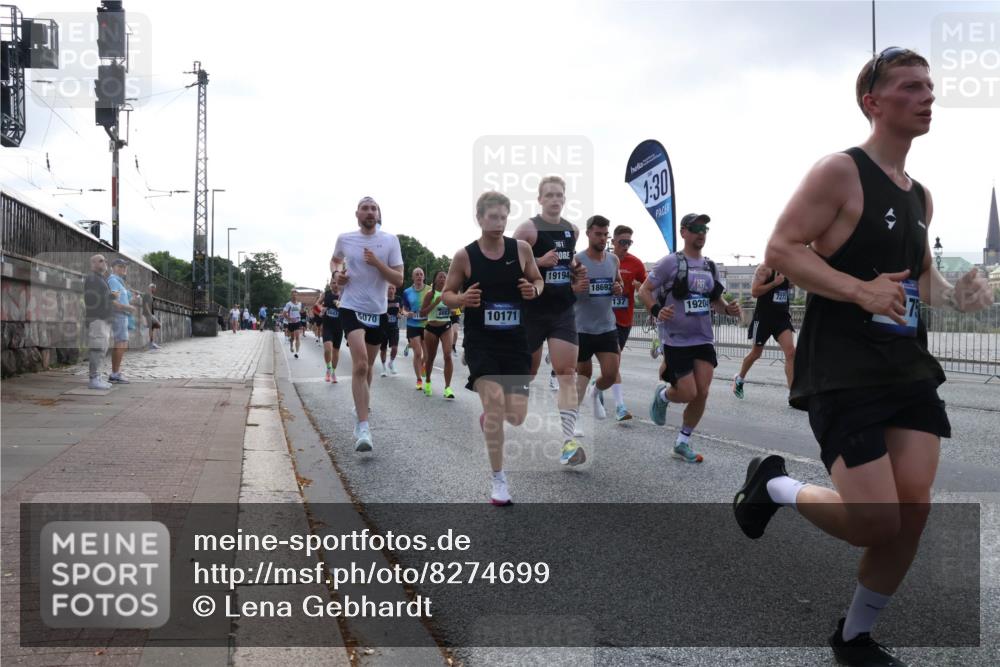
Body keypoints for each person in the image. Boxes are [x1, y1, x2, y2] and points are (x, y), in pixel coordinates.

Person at [731, 48, 994, 667]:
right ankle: (773, 484)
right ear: (873, 103)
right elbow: (781, 248)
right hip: (843, 368)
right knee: (877, 522)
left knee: (914, 509)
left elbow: (921, 277)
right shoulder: (840, 172)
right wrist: (857, 289)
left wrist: (959, 294)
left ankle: (853, 637)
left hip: (905, 366)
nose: (927, 95)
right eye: (911, 86)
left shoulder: (920, 196)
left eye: (930, 85)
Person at [441, 191, 543, 505]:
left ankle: (492, 418)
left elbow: (538, 281)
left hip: (515, 343)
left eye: (503, 217)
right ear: (479, 218)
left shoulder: (522, 250)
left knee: (517, 416)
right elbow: (447, 293)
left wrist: (532, 290)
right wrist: (461, 300)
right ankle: (499, 482)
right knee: (496, 406)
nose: (498, 222)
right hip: (481, 342)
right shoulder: (465, 256)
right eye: (492, 216)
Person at [638, 213, 741, 463]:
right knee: (687, 392)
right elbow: (644, 290)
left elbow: (715, 300)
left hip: (703, 338)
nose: (701, 232)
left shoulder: (710, 266)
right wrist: (656, 310)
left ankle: (682, 442)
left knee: (702, 392)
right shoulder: (669, 263)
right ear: (684, 232)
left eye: (704, 228)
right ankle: (663, 396)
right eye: (695, 228)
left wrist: (727, 309)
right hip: (676, 339)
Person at [512, 175, 588, 466]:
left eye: (560, 195)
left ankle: (568, 442)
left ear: (564, 199)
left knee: (567, 372)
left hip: (562, 311)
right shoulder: (528, 230)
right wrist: (538, 263)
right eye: (550, 195)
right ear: (540, 199)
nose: (555, 199)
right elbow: (506, 265)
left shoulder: (571, 230)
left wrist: (576, 272)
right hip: (531, 311)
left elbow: (569, 263)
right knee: (527, 375)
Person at [330, 196, 404, 452]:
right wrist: (337, 274)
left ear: (379, 214)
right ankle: (363, 426)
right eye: (365, 208)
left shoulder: (390, 241)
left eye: (374, 208)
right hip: (351, 307)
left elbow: (399, 277)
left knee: (369, 368)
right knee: (360, 364)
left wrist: (377, 263)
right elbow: (335, 260)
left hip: (378, 311)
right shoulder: (345, 238)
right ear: (357, 214)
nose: (370, 212)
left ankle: (360, 406)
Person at [572, 216, 624, 427]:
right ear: (588, 234)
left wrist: (618, 287)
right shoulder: (577, 260)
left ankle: (596, 393)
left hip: (606, 326)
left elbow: (618, 281)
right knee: (583, 374)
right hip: (582, 327)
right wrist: (574, 289)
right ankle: (573, 421)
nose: (603, 238)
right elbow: (564, 291)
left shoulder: (613, 260)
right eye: (598, 234)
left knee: (611, 375)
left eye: (605, 235)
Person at [734, 263, 796, 397]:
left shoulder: (787, 267)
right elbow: (754, 292)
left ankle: (793, 394)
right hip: (763, 319)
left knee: (791, 352)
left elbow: (790, 285)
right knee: (756, 354)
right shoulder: (764, 269)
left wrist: (793, 280)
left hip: (782, 318)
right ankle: (739, 378)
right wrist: (774, 283)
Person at [609, 224, 648, 421]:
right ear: (613, 241)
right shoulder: (604, 260)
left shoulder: (636, 264)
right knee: (615, 361)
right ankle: (620, 407)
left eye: (629, 242)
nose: (626, 246)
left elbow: (648, 289)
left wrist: (641, 287)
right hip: (604, 321)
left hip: (625, 320)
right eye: (622, 242)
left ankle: (596, 386)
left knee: (612, 365)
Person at [419, 270, 456, 398]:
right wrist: (435, 303)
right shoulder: (430, 294)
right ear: (435, 280)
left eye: (445, 277)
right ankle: (428, 381)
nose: (443, 279)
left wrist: (451, 307)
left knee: (448, 355)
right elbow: (422, 313)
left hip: (446, 326)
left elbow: (455, 311)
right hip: (431, 329)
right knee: (430, 358)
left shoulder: (449, 294)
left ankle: (448, 388)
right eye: (440, 276)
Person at [105, 258, 139, 383]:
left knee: (122, 343)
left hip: (122, 315)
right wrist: (127, 307)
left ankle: (116, 372)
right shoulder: (113, 280)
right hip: (118, 315)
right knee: (120, 343)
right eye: (120, 266)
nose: (123, 268)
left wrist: (130, 301)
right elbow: (112, 301)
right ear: (113, 267)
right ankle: (114, 374)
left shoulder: (119, 282)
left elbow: (121, 299)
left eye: (125, 266)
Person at [84, 254, 114, 390]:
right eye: (101, 261)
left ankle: (97, 377)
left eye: (105, 260)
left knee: (102, 349)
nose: (104, 262)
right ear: (93, 264)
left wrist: (111, 296)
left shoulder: (100, 278)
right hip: (97, 319)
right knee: (97, 348)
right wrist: (110, 296)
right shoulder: (92, 278)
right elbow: (91, 299)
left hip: (103, 319)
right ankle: (94, 378)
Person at [401, 268, 431, 391]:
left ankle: (423, 366)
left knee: (428, 355)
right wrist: (406, 313)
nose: (419, 276)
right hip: (413, 325)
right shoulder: (407, 292)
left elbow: (433, 305)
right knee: (418, 353)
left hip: (426, 325)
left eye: (421, 274)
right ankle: (419, 379)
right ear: (413, 278)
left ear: (424, 277)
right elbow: (403, 309)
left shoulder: (430, 290)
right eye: (416, 275)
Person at [320, 279, 343, 383]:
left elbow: (349, 308)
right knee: (328, 349)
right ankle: (328, 368)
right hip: (327, 326)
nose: (336, 285)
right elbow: (316, 305)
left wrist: (340, 304)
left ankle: (333, 372)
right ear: (330, 285)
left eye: (337, 283)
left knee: (336, 351)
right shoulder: (326, 294)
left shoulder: (343, 295)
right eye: (333, 283)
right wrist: (321, 309)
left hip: (339, 327)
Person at [380, 284, 401, 377]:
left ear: (395, 290)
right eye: (389, 288)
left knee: (395, 348)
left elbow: (401, 309)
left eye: (393, 288)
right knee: (383, 349)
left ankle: (391, 363)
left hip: (394, 327)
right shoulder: (383, 299)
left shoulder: (398, 299)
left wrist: (400, 314)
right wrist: (385, 314)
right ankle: (384, 367)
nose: (391, 290)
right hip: (383, 328)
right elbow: (378, 309)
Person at [282, 291, 304, 357]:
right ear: (291, 296)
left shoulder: (299, 304)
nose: (294, 297)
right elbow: (284, 313)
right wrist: (290, 319)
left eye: (296, 295)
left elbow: (301, 312)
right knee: (292, 338)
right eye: (293, 295)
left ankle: (297, 352)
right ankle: (291, 346)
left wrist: (302, 312)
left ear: (297, 296)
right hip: (291, 323)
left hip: (298, 322)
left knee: (297, 336)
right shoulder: (288, 304)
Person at [146, 283, 162, 350]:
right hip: (149, 314)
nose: (155, 289)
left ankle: (151, 343)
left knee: (152, 328)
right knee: (158, 325)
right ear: (151, 288)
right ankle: (151, 343)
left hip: (151, 314)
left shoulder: (151, 295)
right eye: (154, 288)